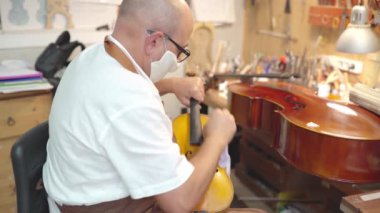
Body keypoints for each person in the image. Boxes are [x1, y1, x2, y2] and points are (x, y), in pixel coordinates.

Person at [42, 0, 237, 212]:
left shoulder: (93, 56)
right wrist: (217, 138)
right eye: (180, 51)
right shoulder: (131, 100)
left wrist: (171, 84)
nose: (178, 60)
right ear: (154, 42)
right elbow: (180, 203)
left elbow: (116, 99)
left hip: (71, 193)